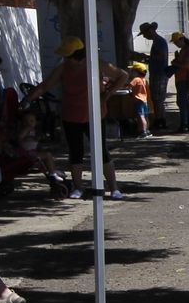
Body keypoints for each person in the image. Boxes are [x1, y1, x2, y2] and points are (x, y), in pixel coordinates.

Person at [19, 36, 128, 199]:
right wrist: (27, 99)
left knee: (102, 153)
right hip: (71, 115)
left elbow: (123, 75)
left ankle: (114, 188)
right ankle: (78, 188)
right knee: (76, 153)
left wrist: (107, 94)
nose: (65, 58)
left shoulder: (96, 64)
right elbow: (45, 86)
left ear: (76, 55)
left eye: (68, 55)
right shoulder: (63, 68)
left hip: (95, 115)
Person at [137, 22, 170, 131]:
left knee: (158, 99)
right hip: (157, 73)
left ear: (150, 31)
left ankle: (160, 120)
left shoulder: (159, 42)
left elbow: (161, 56)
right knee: (157, 99)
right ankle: (161, 119)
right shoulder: (157, 41)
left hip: (159, 74)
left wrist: (148, 58)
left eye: (145, 34)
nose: (145, 36)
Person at [169, 32, 189, 133]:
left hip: (185, 79)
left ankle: (184, 124)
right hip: (181, 78)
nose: (176, 44)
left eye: (176, 42)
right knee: (184, 102)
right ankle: (187, 124)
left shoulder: (188, 51)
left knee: (182, 103)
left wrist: (175, 62)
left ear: (181, 40)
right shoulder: (184, 50)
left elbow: (187, 64)